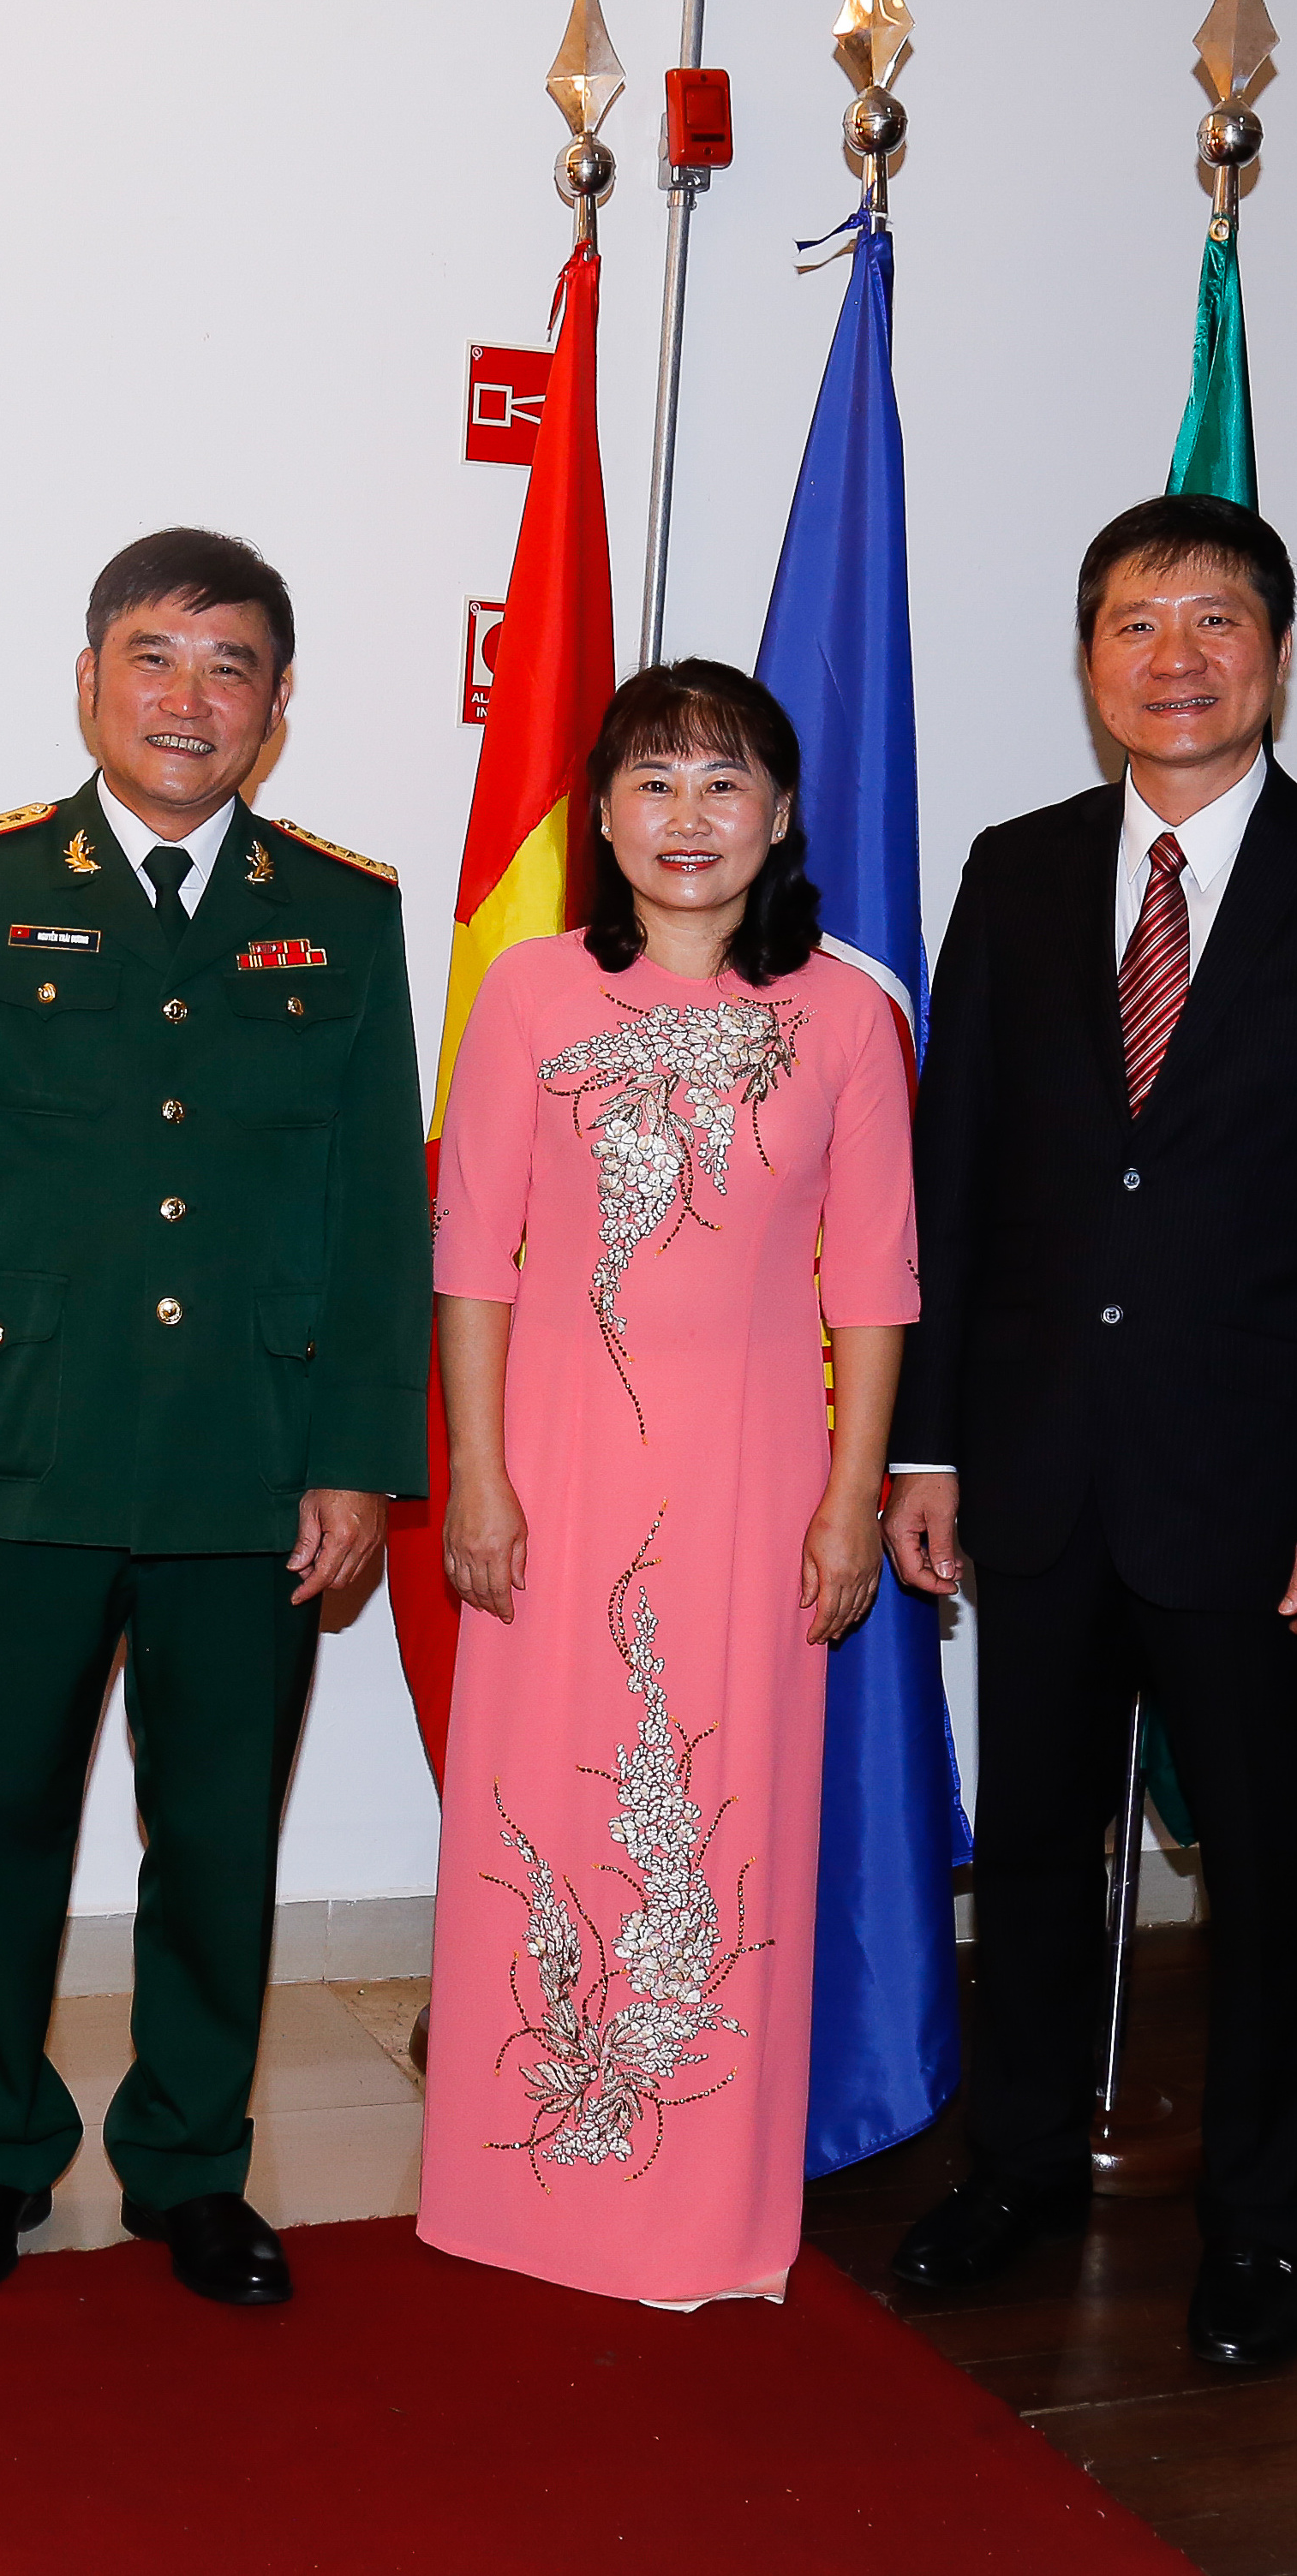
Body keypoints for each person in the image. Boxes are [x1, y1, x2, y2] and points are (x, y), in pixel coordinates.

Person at [882, 495, 1297, 2368]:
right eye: (1134, 622)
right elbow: (953, 1180)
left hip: (1263, 1494)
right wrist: (924, 1444)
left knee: (1268, 1875)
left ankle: (1257, 2225)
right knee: (1032, 1852)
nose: (1174, 656)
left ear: (1277, 656)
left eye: (1214, 619)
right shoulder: (1015, 869)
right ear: (1088, 664)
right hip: (1042, 1470)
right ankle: (1017, 2167)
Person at [0, 528, 429, 2306]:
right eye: (153, 657)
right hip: (13, 1449)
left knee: (219, 1836)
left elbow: (376, 1218)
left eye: (229, 665)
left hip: (250, 1458)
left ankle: (187, 2159)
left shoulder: (342, 912)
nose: (188, 698)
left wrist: (355, 1459)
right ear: (89, 679)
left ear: (275, 704)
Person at [416, 661, 917, 2307]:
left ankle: (697, 2205)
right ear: (603, 813)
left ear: (779, 815)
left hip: (757, 1484)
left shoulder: (845, 1016)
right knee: (544, 1792)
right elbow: (473, 1254)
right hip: (554, 1471)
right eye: (651, 779)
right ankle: (520, 2186)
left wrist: (851, 1497)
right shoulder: (532, 992)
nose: (685, 816)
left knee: (722, 1811)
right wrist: (477, 1477)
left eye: (722, 782)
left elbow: (876, 1282)